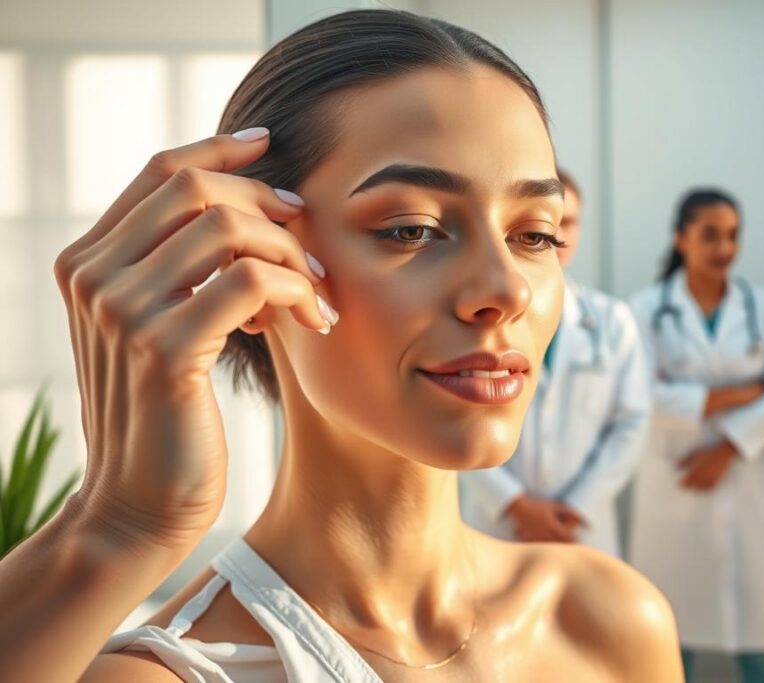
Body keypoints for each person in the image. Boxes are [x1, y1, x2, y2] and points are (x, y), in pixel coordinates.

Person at [0, 10, 683, 682]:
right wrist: (115, 523)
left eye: (536, 234)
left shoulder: (610, 619)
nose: (508, 290)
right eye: (412, 229)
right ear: (255, 258)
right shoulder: (174, 675)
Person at [628, 188, 764, 682]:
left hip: (747, 482)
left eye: (732, 235)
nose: (724, 247)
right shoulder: (645, 309)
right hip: (675, 487)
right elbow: (638, 393)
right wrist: (736, 395)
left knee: (758, 638)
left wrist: (728, 447)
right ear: (680, 238)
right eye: (710, 235)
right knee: (668, 638)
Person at [460, 168, 651, 557]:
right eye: (540, 224)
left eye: (568, 222)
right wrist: (514, 504)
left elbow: (632, 424)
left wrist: (578, 508)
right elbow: (448, 415)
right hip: (496, 524)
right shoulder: (475, 313)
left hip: (579, 530)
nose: (557, 235)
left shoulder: (612, 321)